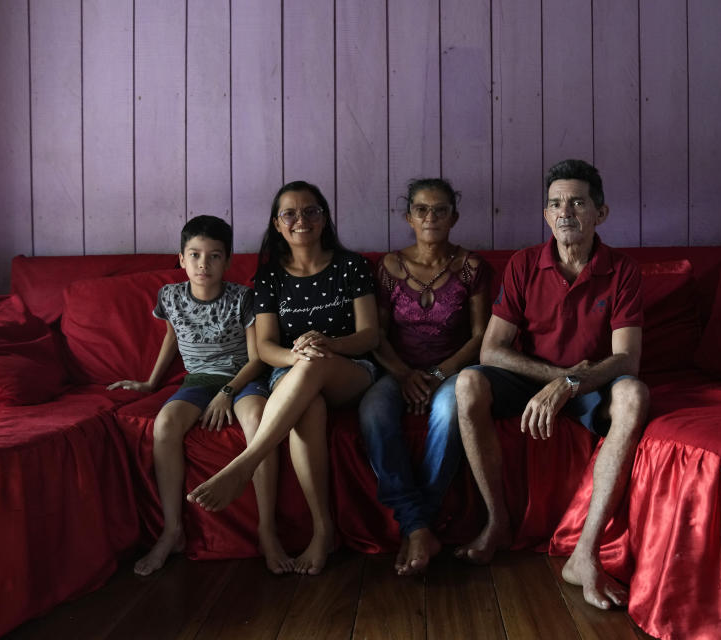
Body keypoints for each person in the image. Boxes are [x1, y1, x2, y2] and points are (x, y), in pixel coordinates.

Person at [453, 159, 649, 610]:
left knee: (634, 394)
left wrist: (573, 382)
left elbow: (627, 359)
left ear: (600, 213)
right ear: (546, 215)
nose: (565, 211)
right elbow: (491, 351)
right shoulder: (524, 264)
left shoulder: (622, 271)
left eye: (578, 202)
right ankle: (498, 521)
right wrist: (555, 377)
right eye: (556, 203)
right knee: (468, 385)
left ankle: (585, 552)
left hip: (592, 383)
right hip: (533, 379)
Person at [186, 181, 379, 575]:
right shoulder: (270, 277)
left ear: (324, 217)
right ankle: (323, 529)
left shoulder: (351, 266)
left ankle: (245, 464)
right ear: (277, 224)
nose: (301, 220)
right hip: (292, 375)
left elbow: (371, 335)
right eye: (289, 213)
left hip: (350, 372)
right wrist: (296, 354)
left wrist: (328, 344)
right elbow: (267, 346)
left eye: (311, 211)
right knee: (310, 405)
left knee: (315, 363)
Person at [109, 215, 271, 576]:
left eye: (214, 256)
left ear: (228, 261)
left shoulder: (243, 298)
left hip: (243, 378)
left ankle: (267, 529)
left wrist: (228, 393)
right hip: (197, 379)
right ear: (181, 259)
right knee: (164, 423)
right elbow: (172, 337)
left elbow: (259, 357)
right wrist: (151, 383)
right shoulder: (169, 295)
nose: (203, 264)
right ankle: (173, 530)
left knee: (257, 420)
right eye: (195, 254)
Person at [359, 178, 492, 576]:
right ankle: (418, 526)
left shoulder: (472, 268)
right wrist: (405, 375)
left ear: (454, 217)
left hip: (454, 370)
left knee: (449, 411)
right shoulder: (388, 267)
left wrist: (437, 374)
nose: (430, 217)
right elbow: (377, 334)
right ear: (408, 217)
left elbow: (481, 335)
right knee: (372, 412)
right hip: (399, 369)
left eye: (440, 210)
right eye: (421, 209)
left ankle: (419, 524)